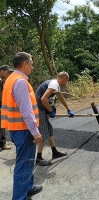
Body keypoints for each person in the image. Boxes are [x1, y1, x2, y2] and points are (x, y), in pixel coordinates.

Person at [1, 52, 43, 199]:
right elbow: (26, 111)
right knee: (23, 163)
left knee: (28, 161)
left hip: (17, 128)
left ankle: (29, 187)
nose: (32, 66)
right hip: (23, 130)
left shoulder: (11, 79)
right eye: (31, 63)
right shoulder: (19, 82)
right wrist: (36, 132)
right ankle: (19, 197)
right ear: (25, 64)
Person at [35, 71, 74, 166]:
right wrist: (50, 111)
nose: (66, 83)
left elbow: (61, 98)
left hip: (42, 109)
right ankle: (38, 158)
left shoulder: (55, 85)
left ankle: (54, 152)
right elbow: (43, 99)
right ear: (64, 79)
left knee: (50, 131)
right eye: (67, 81)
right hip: (39, 110)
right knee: (44, 133)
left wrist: (68, 109)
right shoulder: (54, 84)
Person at [0, 65, 14, 151]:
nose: (8, 73)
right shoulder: (1, 82)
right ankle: (2, 143)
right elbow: (1, 95)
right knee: (2, 125)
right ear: (1, 71)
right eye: (7, 72)